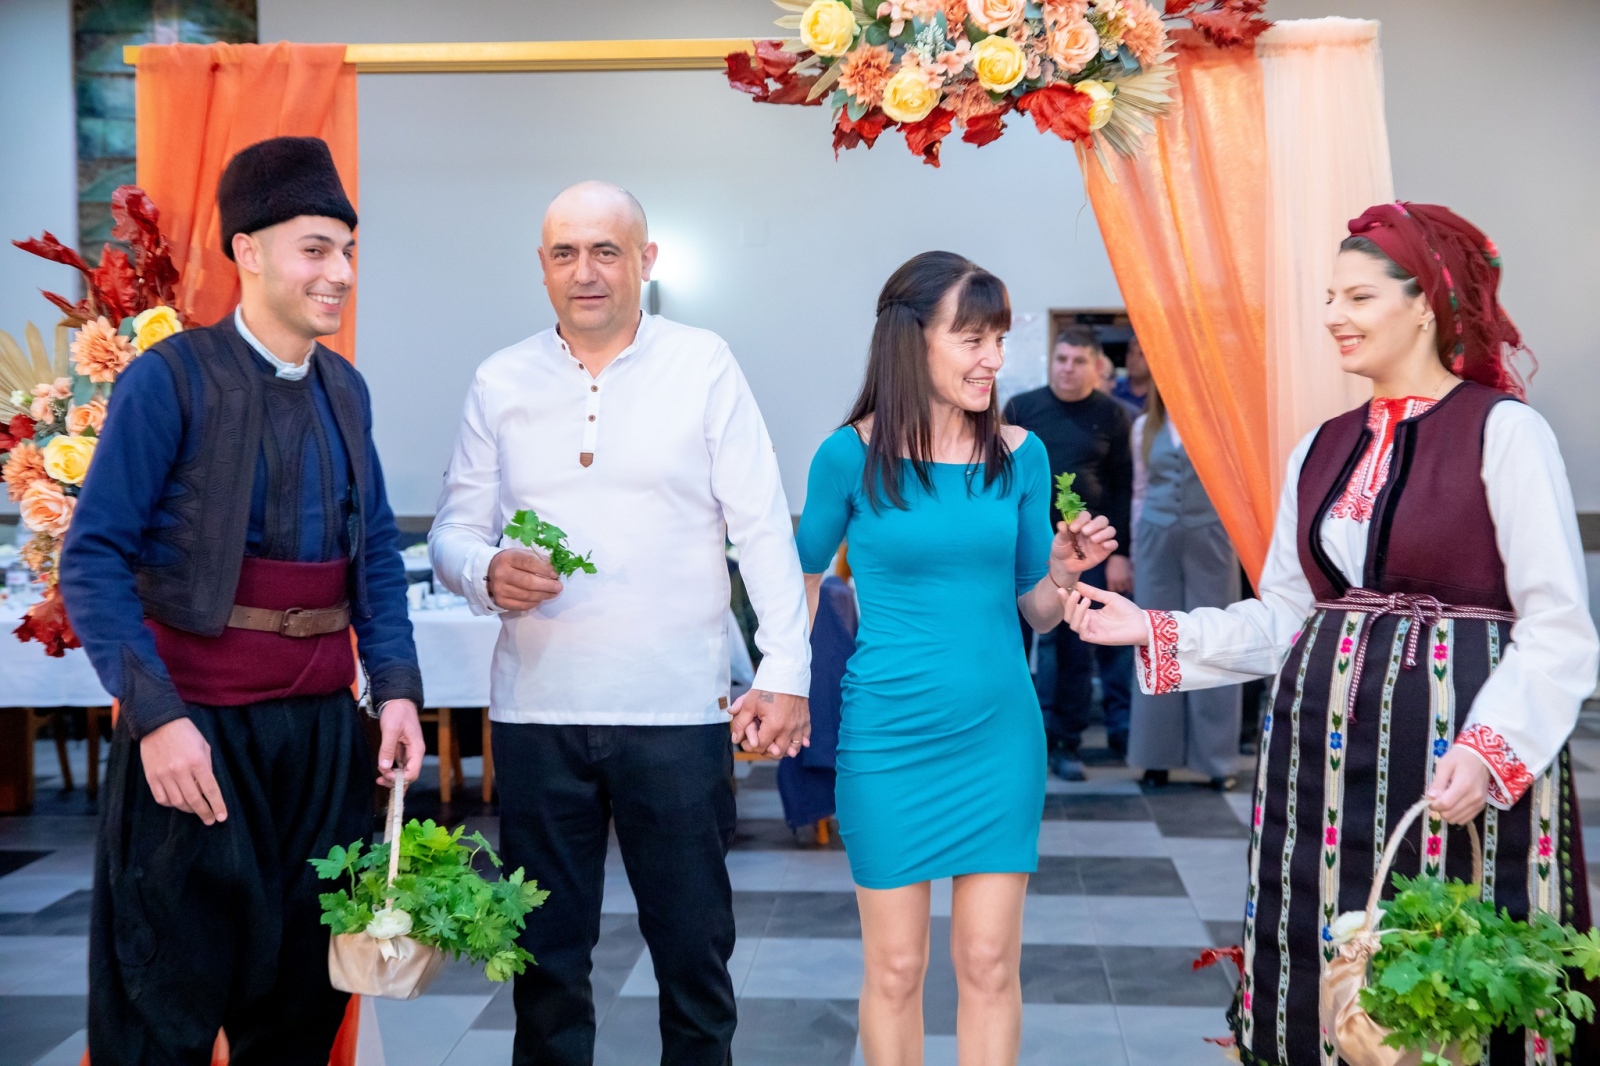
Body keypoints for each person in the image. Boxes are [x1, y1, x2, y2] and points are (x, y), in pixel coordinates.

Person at [1061, 202, 1598, 1065]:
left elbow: (1560, 625)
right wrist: (1151, 628)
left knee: (1457, 957)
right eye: (1328, 298)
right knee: (1314, 946)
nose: (1334, 316)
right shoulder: (1320, 446)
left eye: (1358, 297)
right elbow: (1286, 617)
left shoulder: (1504, 431)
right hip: (1317, 763)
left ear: (1424, 304)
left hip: (1454, 753)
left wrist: (1491, 747)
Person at [58, 136, 425, 1064]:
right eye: (315, 249)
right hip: (197, 739)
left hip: (322, 743)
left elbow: (377, 552)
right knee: (164, 1003)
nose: (340, 273)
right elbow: (93, 558)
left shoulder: (346, 389)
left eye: (347, 251)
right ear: (249, 251)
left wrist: (395, 690)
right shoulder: (168, 380)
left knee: (302, 1006)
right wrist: (156, 720)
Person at [428, 181, 811, 1066]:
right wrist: (483, 571)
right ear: (542, 266)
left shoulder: (703, 363)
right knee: (545, 967)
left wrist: (784, 670)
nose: (586, 271)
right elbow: (454, 530)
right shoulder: (501, 379)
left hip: (675, 712)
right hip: (537, 714)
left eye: (606, 250)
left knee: (694, 958)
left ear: (646, 260)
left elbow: (761, 524)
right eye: (565, 253)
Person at [796, 251, 1115, 1066]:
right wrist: (783, 687)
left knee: (988, 963)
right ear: (914, 341)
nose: (994, 359)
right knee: (896, 968)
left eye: (999, 339)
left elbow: (1036, 608)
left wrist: (1062, 573)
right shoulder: (848, 455)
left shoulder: (1021, 454)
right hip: (887, 736)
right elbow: (797, 579)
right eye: (973, 339)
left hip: (997, 735)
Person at [1004, 327, 1134, 779]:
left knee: (1075, 645)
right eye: (1061, 359)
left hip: (1085, 551)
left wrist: (1121, 553)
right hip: (1023, 545)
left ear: (1096, 366)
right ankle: (1015, 737)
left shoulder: (1111, 415)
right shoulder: (1022, 409)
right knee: (1015, 639)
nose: (1067, 368)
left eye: (1078, 361)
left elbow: (1122, 485)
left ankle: (1066, 743)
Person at [1126, 377, 1241, 790]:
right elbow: (1140, 490)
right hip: (1156, 540)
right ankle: (1155, 757)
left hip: (1210, 537)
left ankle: (1217, 761)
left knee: (1215, 641)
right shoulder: (1145, 427)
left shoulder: (1222, 425)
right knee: (1156, 642)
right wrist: (1135, 550)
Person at [1111, 333, 1151, 411]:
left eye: (1142, 354)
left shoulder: (1162, 397)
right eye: (1130, 353)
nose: (1134, 360)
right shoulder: (1113, 387)